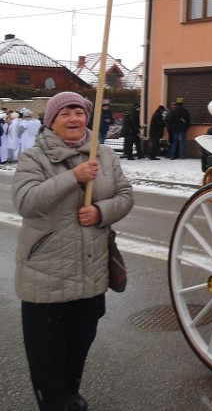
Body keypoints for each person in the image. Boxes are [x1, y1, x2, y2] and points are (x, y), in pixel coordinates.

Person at [12, 91, 134, 411]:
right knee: (48, 360)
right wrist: (72, 178)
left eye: (78, 112)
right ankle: (55, 402)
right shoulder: (34, 158)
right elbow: (26, 202)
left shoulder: (104, 155)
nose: (73, 119)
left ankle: (70, 396)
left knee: (77, 349)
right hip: (47, 278)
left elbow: (125, 196)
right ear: (51, 121)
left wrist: (100, 212)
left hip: (90, 275)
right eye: (65, 113)